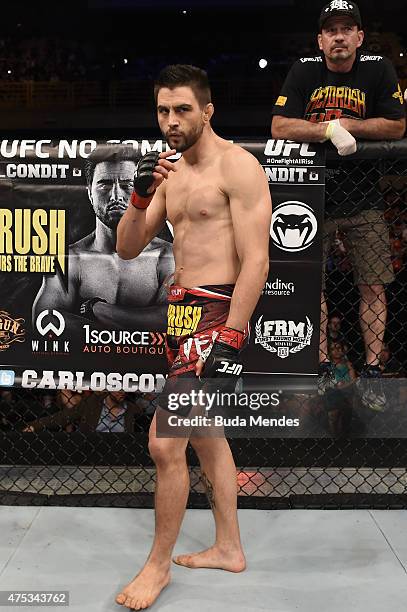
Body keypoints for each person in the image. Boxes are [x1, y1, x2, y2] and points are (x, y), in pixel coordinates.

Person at [115, 64, 271, 610]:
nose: (171, 120)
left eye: (182, 109)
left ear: (207, 110)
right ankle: (228, 547)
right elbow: (128, 248)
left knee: (165, 442)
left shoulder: (239, 166)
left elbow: (258, 259)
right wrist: (140, 195)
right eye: (163, 110)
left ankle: (157, 569)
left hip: (216, 313)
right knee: (204, 435)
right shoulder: (170, 174)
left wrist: (233, 330)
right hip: (180, 315)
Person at [271, 0, 406, 412]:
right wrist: (327, 128)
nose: (340, 36)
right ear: (321, 39)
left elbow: (397, 124)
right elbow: (279, 126)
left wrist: (350, 125)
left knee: (373, 285)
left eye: (348, 29)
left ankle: (371, 372)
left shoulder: (377, 69)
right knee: (313, 288)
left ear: (360, 37)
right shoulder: (305, 69)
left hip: (364, 194)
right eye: (332, 30)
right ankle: (324, 365)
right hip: (314, 195)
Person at [32, 148, 174, 332]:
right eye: (105, 185)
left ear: (143, 189)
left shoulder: (167, 256)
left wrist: (95, 309)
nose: (115, 196)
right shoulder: (69, 259)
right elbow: (45, 320)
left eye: (127, 185)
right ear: (89, 192)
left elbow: (171, 320)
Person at [22, 391, 144, 433]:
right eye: (118, 386)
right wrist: (35, 425)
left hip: (120, 458)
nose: (121, 391)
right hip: (90, 452)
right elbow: (64, 417)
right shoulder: (93, 403)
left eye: (124, 387)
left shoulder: (132, 410)